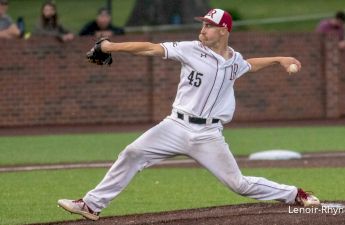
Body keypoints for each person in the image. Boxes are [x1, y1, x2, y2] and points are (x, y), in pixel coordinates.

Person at [58, 9, 320, 221]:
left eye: (209, 25)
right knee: (132, 153)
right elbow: (150, 48)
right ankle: (91, 205)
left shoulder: (234, 60)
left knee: (239, 184)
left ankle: (294, 194)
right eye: (203, 24)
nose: (203, 29)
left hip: (208, 134)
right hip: (175, 126)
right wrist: (109, 46)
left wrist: (280, 59)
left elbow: (250, 65)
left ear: (223, 30)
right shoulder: (190, 49)